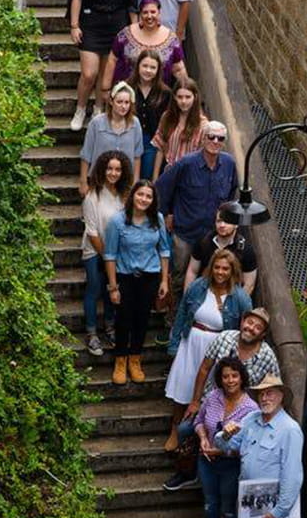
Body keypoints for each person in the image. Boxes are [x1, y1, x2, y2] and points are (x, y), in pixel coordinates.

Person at [155, 120, 237, 340]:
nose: (215, 141)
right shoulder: (186, 163)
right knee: (180, 276)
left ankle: (199, 320)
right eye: (211, 136)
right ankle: (174, 318)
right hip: (186, 232)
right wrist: (168, 213)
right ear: (203, 138)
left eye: (220, 138)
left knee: (212, 278)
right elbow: (161, 188)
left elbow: (232, 195)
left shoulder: (229, 164)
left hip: (213, 235)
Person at [218, 375, 303, 518]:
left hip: (268, 506)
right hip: (247, 500)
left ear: (281, 396)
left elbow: (292, 474)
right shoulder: (251, 419)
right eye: (261, 394)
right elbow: (226, 446)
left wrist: (280, 511)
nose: (265, 398)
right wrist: (225, 434)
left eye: (270, 392)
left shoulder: (290, 429)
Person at [164, 250, 252, 451]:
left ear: (232, 271)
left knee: (211, 391)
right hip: (191, 341)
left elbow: (246, 325)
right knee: (183, 386)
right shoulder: (198, 287)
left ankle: (201, 435)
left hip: (218, 348)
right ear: (211, 268)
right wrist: (174, 344)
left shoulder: (239, 297)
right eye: (217, 267)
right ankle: (175, 429)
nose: (220, 272)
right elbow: (182, 313)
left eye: (225, 268)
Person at [67, 0, 138, 131]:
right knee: (89, 73)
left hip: (116, 27)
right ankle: (80, 109)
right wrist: (74, 25)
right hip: (91, 24)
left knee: (106, 75)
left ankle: (98, 109)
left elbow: (132, 6)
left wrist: (134, 34)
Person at [192, 357, 258, 518]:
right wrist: (203, 438)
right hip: (206, 460)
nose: (230, 381)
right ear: (220, 379)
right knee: (210, 504)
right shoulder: (213, 396)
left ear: (242, 377)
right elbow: (198, 421)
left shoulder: (251, 409)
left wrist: (222, 451)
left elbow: (249, 446)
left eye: (234, 376)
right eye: (225, 376)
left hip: (231, 464)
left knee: (228, 507)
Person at [103, 180, 171, 385]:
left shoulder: (157, 219)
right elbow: (110, 255)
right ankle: (120, 360)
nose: (144, 199)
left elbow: (164, 250)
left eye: (148, 196)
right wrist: (113, 287)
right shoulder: (117, 221)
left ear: (153, 200)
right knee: (123, 319)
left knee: (142, 319)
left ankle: (135, 359)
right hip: (125, 276)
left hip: (150, 277)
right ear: (133, 195)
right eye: (140, 194)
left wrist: (164, 281)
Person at [81, 151, 132, 356]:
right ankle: (92, 333)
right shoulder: (92, 196)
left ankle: (110, 327)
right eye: (109, 169)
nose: (113, 173)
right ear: (102, 170)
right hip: (95, 250)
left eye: (118, 169)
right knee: (94, 288)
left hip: (117, 252)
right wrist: (107, 256)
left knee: (112, 289)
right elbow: (92, 232)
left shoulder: (124, 196)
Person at [185, 308, 279, 419]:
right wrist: (195, 402)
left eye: (258, 328)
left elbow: (275, 388)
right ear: (242, 322)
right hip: (211, 401)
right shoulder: (224, 338)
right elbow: (205, 368)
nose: (251, 328)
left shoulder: (267, 356)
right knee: (185, 427)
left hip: (244, 413)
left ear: (263, 334)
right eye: (250, 322)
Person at [100, 0, 186, 92]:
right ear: (140, 15)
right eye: (145, 12)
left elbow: (178, 69)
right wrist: (105, 88)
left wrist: (185, 90)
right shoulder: (125, 35)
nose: (149, 16)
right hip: (127, 94)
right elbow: (112, 60)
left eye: (153, 12)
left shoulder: (171, 38)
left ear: (159, 13)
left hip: (159, 95)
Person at [78, 81, 143, 198]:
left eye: (127, 102)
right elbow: (86, 154)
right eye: (119, 102)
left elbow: (137, 155)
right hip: (99, 179)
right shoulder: (96, 123)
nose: (123, 106)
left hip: (124, 180)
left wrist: (135, 181)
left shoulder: (135, 123)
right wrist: (83, 182)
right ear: (111, 102)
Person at [185, 203, 258, 295]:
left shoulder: (246, 250)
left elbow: (249, 285)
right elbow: (192, 271)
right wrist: (187, 297)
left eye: (227, 221)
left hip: (231, 296)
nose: (222, 225)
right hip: (203, 293)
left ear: (236, 224)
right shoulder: (204, 242)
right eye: (219, 221)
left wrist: (237, 303)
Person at [126, 49, 171, 184]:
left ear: (158, 70)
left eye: (152, 67)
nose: (148, 70)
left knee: (145, 178)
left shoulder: (165, 92)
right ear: (138, 66)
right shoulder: (127, 87)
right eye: (145, 66)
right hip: (128, 139)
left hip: (151, 142)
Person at [150, 78, 207, 180]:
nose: (183, 101)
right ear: (174, 97)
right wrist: (155, 178)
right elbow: (160, 148)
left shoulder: (203, 124)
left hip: (190, 175)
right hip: (169, 172)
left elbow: (204, 157)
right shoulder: (167, 117)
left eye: (188, 97)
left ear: (195, 97)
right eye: (180, 97)